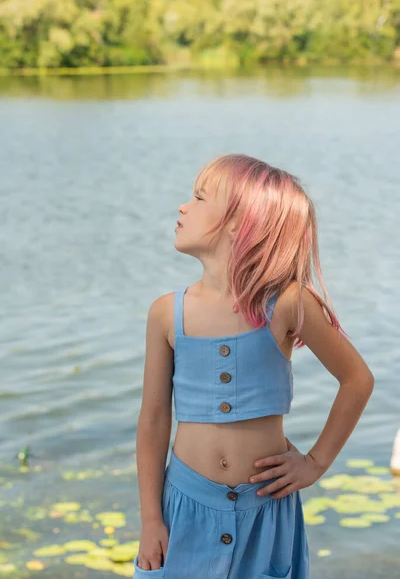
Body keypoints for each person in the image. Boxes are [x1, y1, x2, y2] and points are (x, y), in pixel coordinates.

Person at [133, 154, 375, 579]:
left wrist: (315, 463)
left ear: (237, 223)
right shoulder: (165, 315)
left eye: (198, 197)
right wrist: (151, 518)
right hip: (185, 507)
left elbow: (357, 380)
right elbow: (153, 419)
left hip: (266, 510)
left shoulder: (288, 304)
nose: (182, 207)